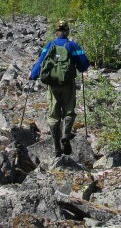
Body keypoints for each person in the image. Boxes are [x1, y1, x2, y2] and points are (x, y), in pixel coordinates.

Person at [28, 20, 90, 157]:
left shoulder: (49, 45)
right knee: (69, 111)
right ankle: (66, 137)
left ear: (56, 32)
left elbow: (40, 62)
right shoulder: (72, 45)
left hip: (52, 85)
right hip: (68, 84)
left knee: (53, 115)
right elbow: (84, 65)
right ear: (67, 32)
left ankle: (57, 148)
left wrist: (32, 75)